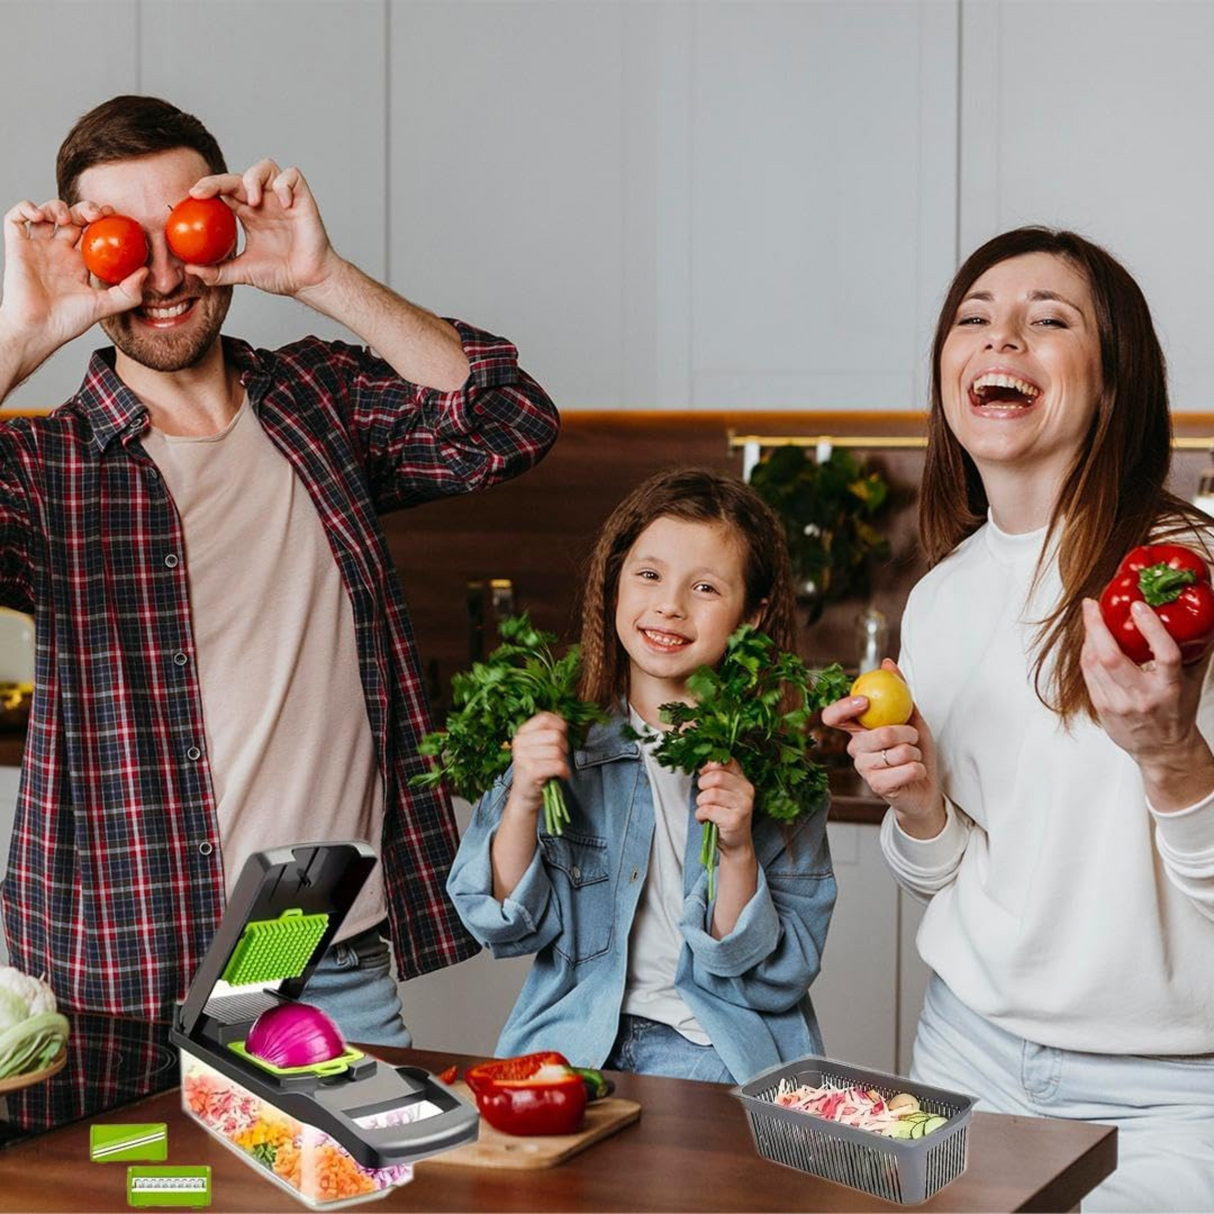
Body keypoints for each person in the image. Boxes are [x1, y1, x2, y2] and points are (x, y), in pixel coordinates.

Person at [0, 95, 559, 1044]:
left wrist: (320, 275)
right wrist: (22, 334)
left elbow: (508, 419)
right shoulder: (47, 468)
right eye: (125, 245)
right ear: (85, 256)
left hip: (324, 951)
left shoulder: (318, 400)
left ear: (222, 220)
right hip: (126, 970)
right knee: (141, 1160)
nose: (164, 275)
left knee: (369, 1152)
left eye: (184, 228)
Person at [823, 227, 1214, 1211]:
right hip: (967, 1055)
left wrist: (1171, 756)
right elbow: (948, 873)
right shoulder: (941, 597)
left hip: (1170, 1098)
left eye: (1048, 320)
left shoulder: (1183, 581)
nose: (1000, 338)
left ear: (1113, 381)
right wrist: (918, 804)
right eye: (973, 318)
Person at [447, 467, 836, 1084]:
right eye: (649, 575)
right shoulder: (559, 739)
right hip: (573, 1041)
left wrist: (736, 849)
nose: (669, 605)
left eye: (704, 587)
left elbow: (773, 977)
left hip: (715, 1050)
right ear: (614, 584)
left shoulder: (781, 774)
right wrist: (523, 796)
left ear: (752, 616)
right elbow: (503, 925)